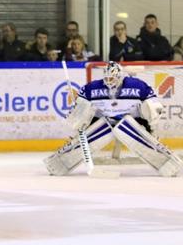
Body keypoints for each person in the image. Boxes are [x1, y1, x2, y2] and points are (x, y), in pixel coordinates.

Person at [44, 62, 182, 177]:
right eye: (107, 78)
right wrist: (78, 112)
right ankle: (58, 163)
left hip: (133, 121)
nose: (109, 82)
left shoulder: (137, 86)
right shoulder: (92, 88)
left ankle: (165, 159)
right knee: (95, 126)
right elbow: (78, 111)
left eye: (112, 78)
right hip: (104, 121)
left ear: (120, 77)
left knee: (131, 121)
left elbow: (154, 105)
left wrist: (151, 121)